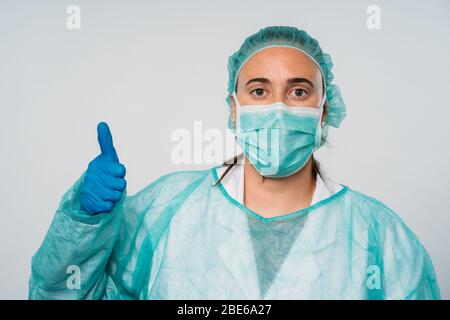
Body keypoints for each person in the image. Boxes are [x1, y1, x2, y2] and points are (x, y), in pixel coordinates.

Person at [29, 26, 440, 299]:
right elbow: (61, 295)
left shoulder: (381, 240)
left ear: (324, 109)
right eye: (259, 91)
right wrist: (85, 222)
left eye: (298, 92)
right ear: (233, 108)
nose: (278, 108)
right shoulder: (166, 213)